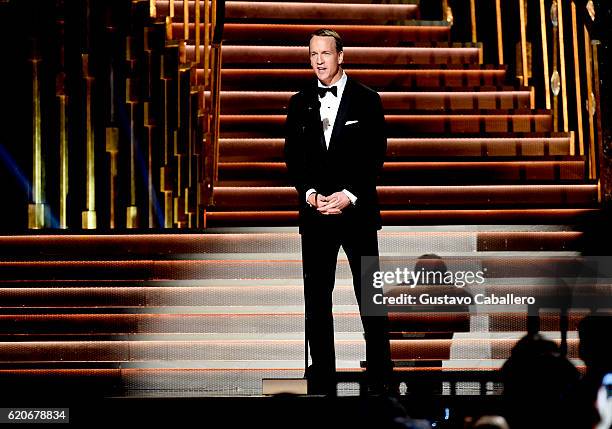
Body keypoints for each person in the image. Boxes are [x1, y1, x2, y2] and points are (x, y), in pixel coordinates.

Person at [284, 28, 392, 395]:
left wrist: (349, 194)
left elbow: (375, 154)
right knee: (316, 301)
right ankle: (323, 381)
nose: (318, 60)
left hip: (357, 213)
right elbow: (293, 158)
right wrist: (311, 194)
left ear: (340, 56)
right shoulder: (299, 102)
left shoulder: (367, 99)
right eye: (313, 53)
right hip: (316, 217)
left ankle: (380, 375)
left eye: (325, 53)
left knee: (370, 298)